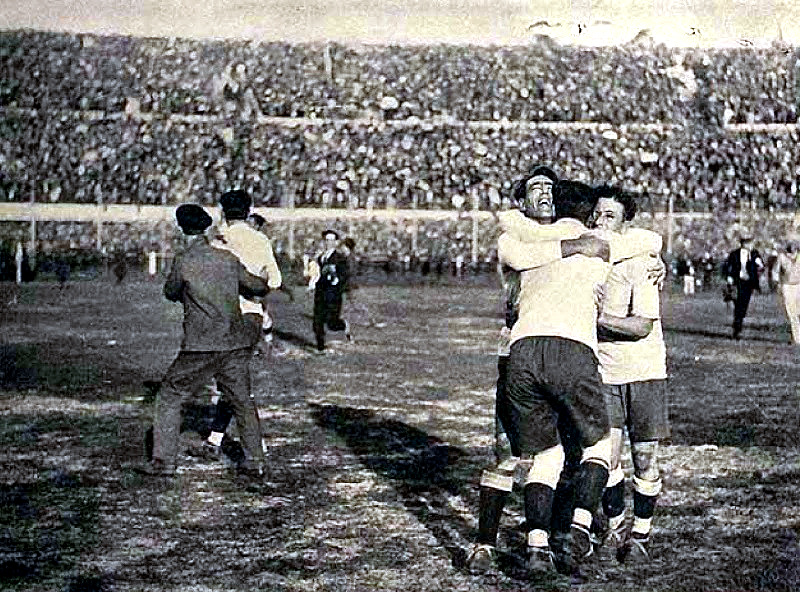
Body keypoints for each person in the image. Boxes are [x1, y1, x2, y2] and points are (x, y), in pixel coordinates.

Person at [470, 180, 612, 580]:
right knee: (507, 451)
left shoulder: (548, 236)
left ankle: (546, 539)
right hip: (525, 349)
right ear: (522, 201)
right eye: (535, 188)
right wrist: (582, 244)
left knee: (556, 453)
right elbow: (513, 241)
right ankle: (488, 542)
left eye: (551, 187)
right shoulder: (517, 235)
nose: (545, 194)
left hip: (532, 352)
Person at [139, 204, 267, 478]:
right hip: (233, 342)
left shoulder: (184, 261)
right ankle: (255, 460)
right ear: (208, 228)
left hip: (200, 345)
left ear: (182, 229)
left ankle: (164, 462)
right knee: (242, 400)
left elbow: (171, 292)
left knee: (170, 395)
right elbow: (257, 286)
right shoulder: (228, 259)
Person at [589, 186, 669, 564]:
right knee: (607, 457)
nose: (600, 222)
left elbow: (641, 326)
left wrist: (596, 319)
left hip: (644, 370)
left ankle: (640, 534)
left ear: (625, 225)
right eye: (597, 214)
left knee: (644, 456)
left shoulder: (641, 260)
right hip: (605, 371)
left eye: (610, 216)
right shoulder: (586, 261)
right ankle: (615, 526)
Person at [202, 190, 282, 454]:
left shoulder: (217, 242)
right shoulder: (260, 240)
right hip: (251, 316)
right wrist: (254, 282)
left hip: (220, 316)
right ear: (249, 212)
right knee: (232, 379)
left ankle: (254, 443)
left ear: (222, 211)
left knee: (232, 381)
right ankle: (217, 438)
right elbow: (275, 281)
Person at [307, 229, 351, 352]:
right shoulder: (320, 257)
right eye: (326, 240)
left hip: (334, 294)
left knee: (332, 322)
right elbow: (316, 274)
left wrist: (338, 281)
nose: (329, 243)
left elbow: (345, 275)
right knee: (318, 321)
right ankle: (320, 347)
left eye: (331, 240)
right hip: (321, 292)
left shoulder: (340, 258)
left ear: (336, 242)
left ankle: (343, 325)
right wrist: (312, 283)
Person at [724, 234, 765, 339]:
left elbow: (761, 266)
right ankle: (737, 327)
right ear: (743, 243)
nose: (750, 245)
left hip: (748, 283)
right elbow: (727, 266)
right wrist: (729, 277)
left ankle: (738, 322)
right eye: (748, 242)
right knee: (738, 304)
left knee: (744, 305)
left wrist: (758, 264)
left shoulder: (754, 253)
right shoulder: (734, 254)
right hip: (737, 282)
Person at [774, 240, 800, 344]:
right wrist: (777, 283)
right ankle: (796, 337)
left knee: (798, 312)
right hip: (787, 285)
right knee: (791, 312)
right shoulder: (781, 257)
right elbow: (775, 271)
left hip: (799, 285)